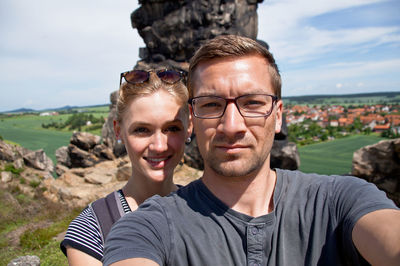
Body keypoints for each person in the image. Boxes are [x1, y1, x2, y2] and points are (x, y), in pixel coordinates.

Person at [103, 35, 400, 266]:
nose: (232, 126)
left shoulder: (340, 202)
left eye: (253, 103)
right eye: (211, 104)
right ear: (192, 120)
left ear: (279, 114)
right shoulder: (148, 226)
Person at [60, 69, 193, 265]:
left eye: (172, 128)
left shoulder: (206, 208)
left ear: (189, 126)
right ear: (118, 131)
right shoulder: (92, 229)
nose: (159, 145)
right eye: (141, 130)